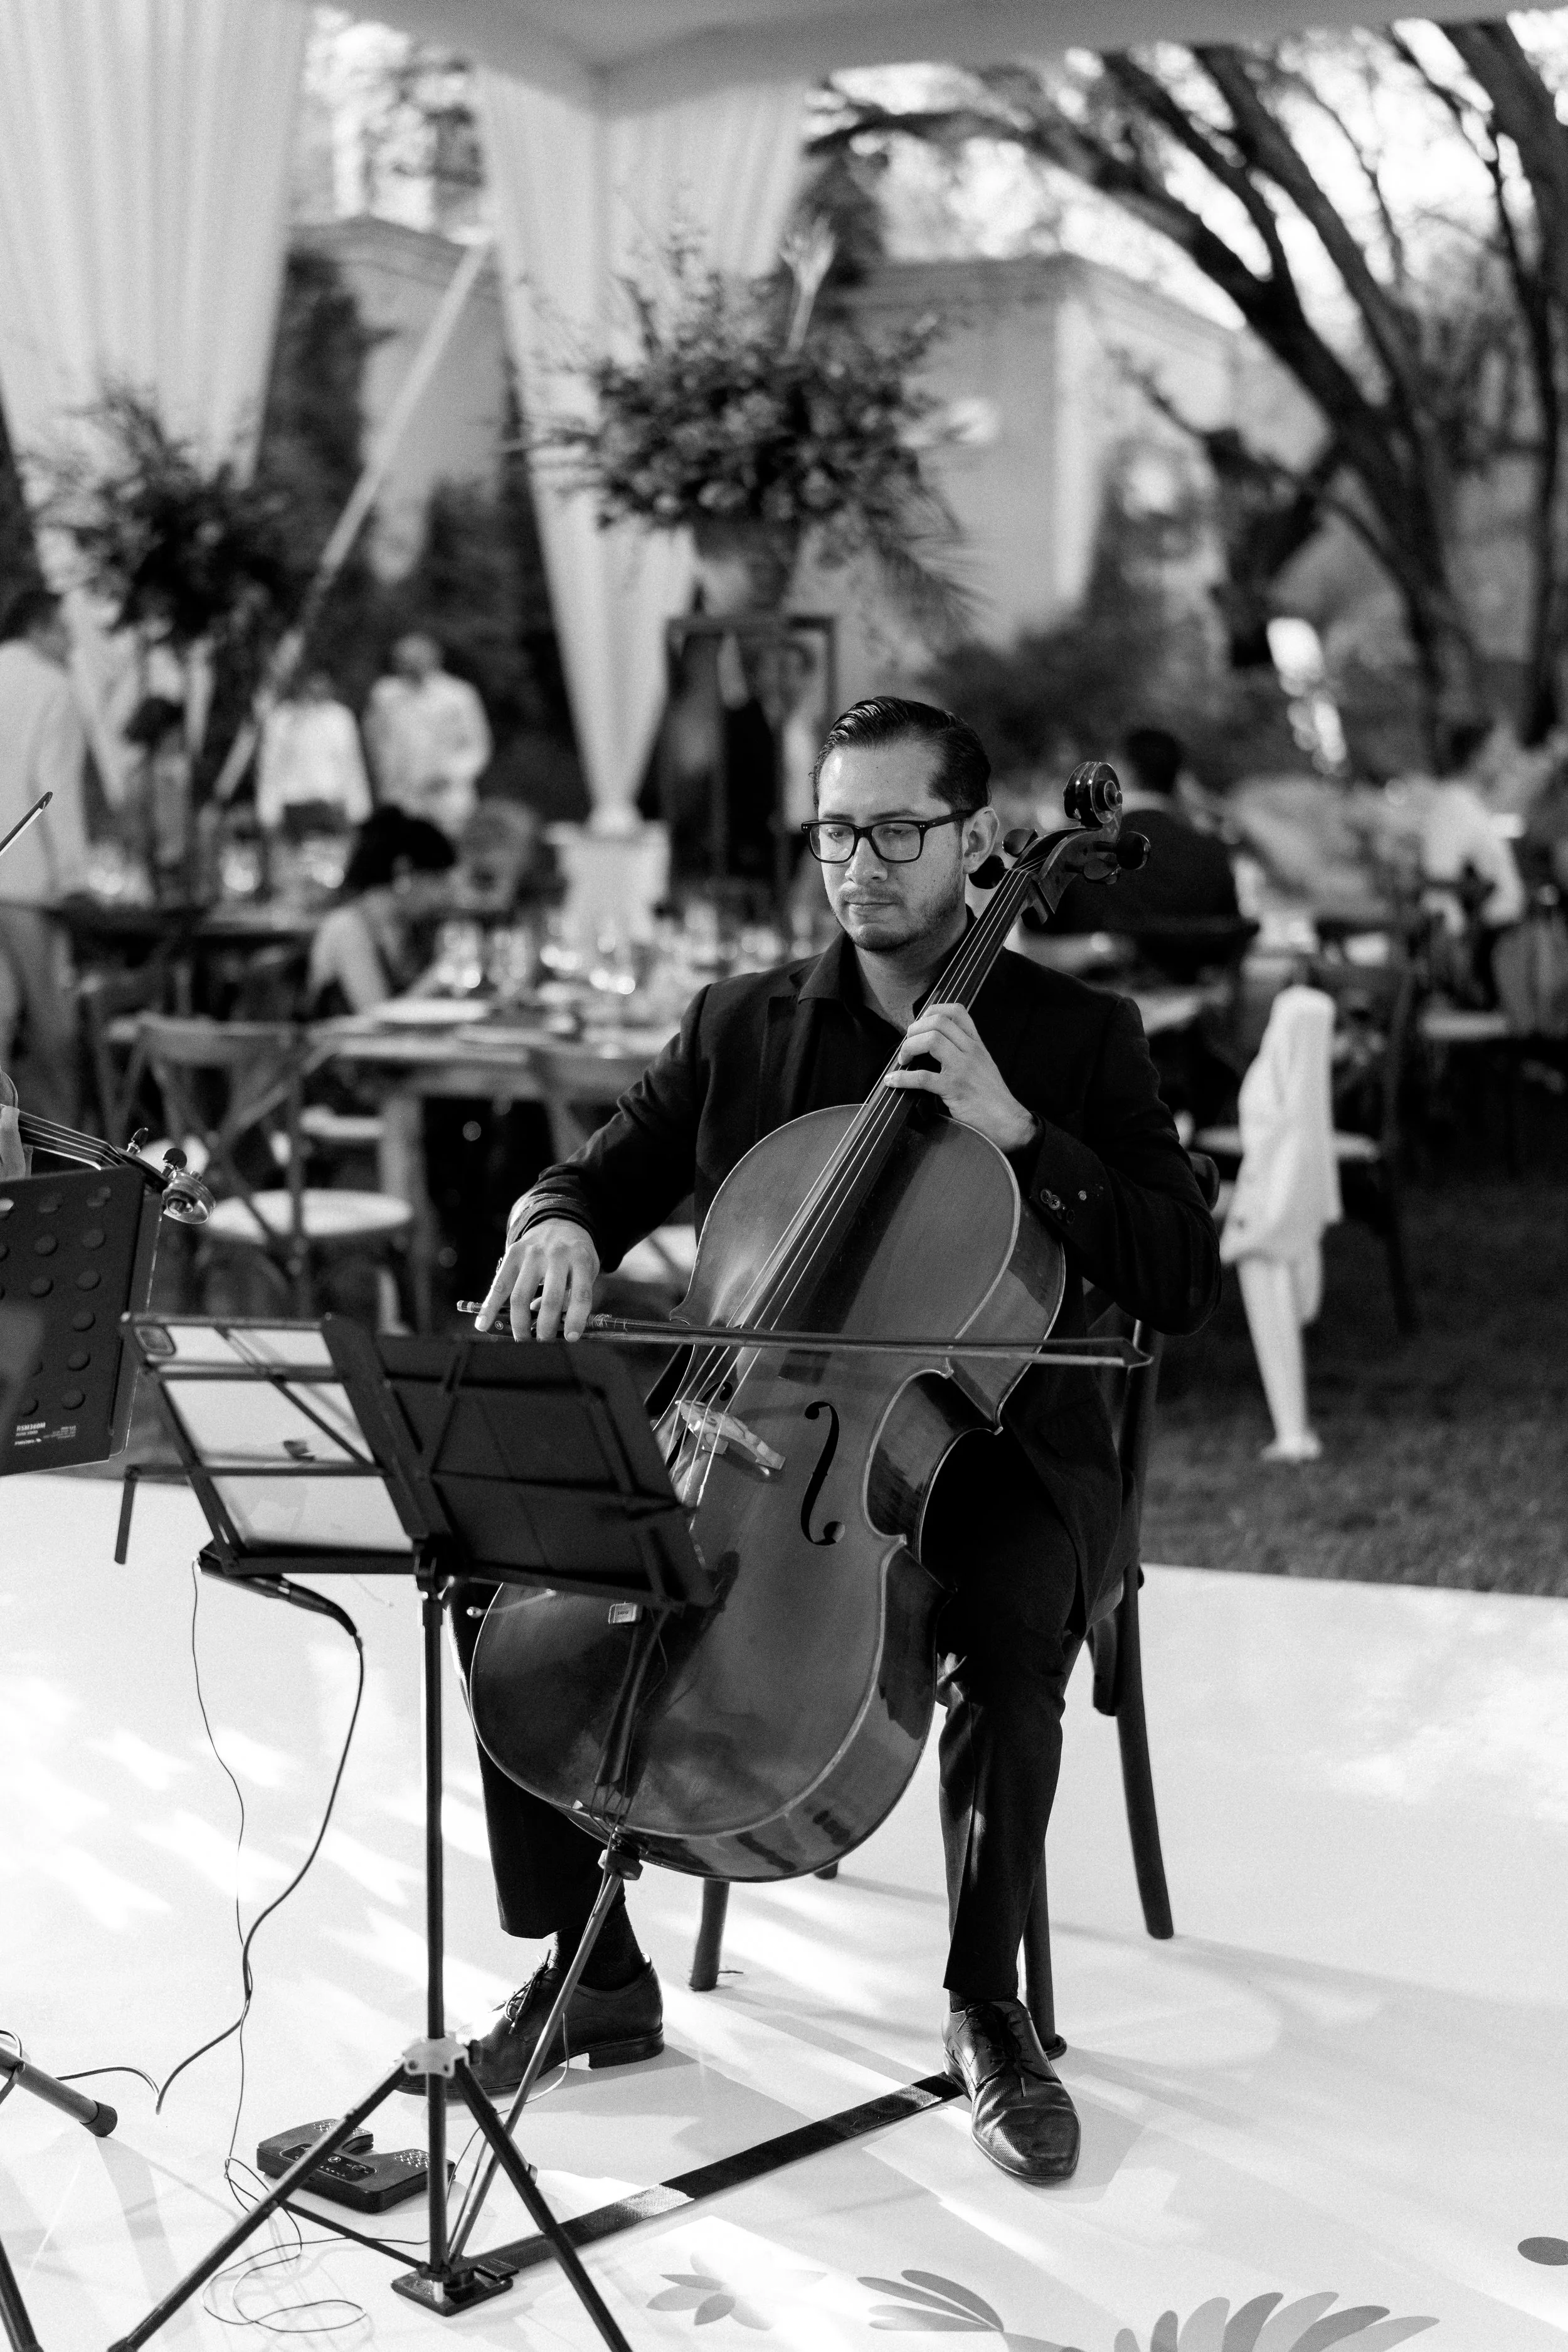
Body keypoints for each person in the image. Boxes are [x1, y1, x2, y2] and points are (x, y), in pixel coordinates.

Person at [460, 696, 1220, 2186]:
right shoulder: (743, 1021)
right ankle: (592, 1957)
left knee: (1004, 1634)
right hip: (747, 1438)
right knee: (512, 1572)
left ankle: (986, 2000)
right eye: (834, 828)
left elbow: (1179, 1274)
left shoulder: (1076, 1038)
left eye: (894, 828)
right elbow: (596, 1173)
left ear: (979, 841)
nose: (859, 861)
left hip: (1003, 1449)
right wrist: (553, 1218)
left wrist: (1021, 1135)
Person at [0, 586, 90, 1126]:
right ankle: (74, 1157)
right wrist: (75, 876)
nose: (72, 640)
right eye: (63, 627)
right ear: (37, 627)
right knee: (54, 1026)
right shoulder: (53, 687)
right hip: (28, 880)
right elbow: (55, 788)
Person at [1051, 726, 1239, 944]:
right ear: (1178, 780)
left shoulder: (1080, 848)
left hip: (1090, 976)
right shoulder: (1212, 851)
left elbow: (1041, 945)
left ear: (1123, 772)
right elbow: (1231, 933)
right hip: (1189, 976)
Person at [306, 807, 457, 1015]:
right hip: (342, 1047)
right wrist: (441, 976)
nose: (443, 896)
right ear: (404, 872)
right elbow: (375, 1018)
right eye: (437, 882)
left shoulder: (400, 927)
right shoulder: (348, 927)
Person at [364, 633, 491, 839]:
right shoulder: (385, 696)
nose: (412, 667)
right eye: (406, 662)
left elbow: (477, 747)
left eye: (418, 660)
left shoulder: (458, 694)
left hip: (448, 797)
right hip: (402, 797)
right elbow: (376, 745)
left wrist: (450, 774)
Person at [257, 670, 373, 836]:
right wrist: (268, 814)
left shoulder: (341, 717)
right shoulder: (281, 719)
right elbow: (269, 768)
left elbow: (352, 766)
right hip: (293, 808)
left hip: (333, 808)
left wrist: (359, 811)